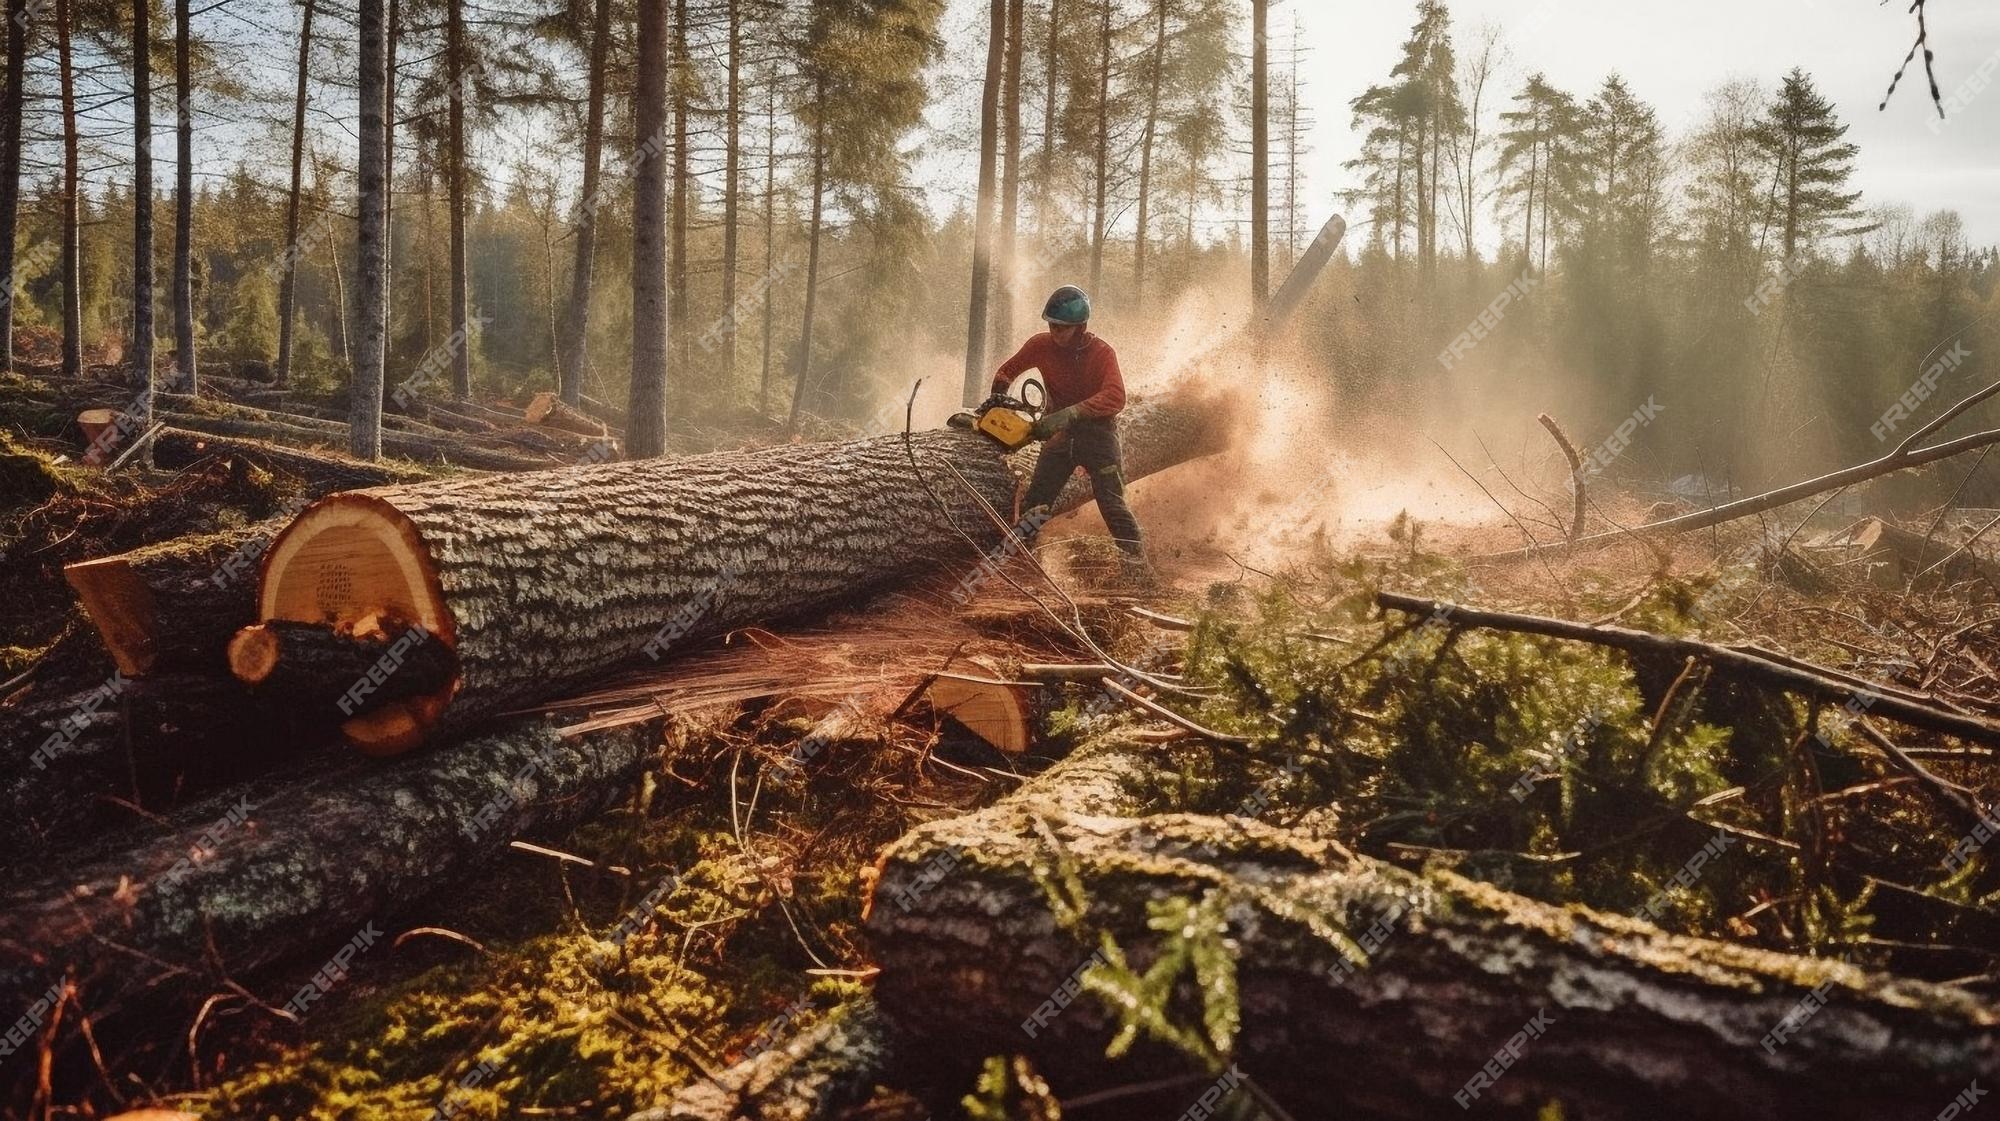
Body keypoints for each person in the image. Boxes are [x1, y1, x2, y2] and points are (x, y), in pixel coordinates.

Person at [988, 284, 1145, 564]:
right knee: (1035, 504)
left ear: (1080, 326)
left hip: (1099, 436)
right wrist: (998, 398)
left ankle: (1136, 567)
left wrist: (1072, 412)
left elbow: (1116, 396)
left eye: (1062, 328)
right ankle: (1023, 562)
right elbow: (1006, 371)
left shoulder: (1102, 353)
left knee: (1112, 504)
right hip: (1060, 437)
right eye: (1052, 326)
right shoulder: (1040, 345)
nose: (1055, 333)